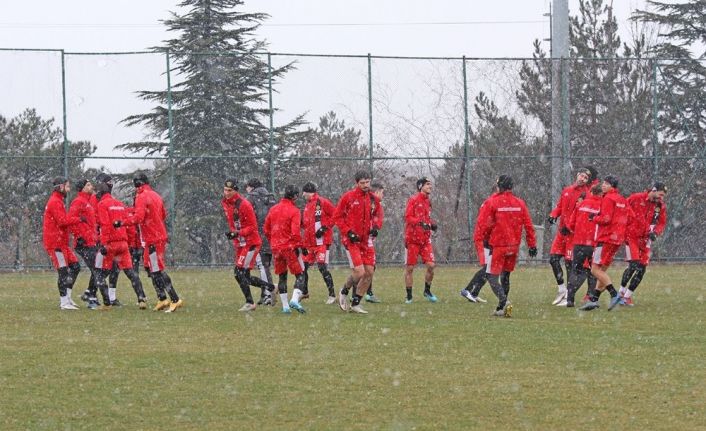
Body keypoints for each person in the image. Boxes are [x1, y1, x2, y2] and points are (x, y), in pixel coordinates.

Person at [477, 175, 537, 317]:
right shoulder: (520, 202)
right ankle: (500, 308)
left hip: (498, 245)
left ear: (500, 186)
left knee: (491, 276)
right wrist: (532, 245)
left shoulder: (493, 202)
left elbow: (484, 225)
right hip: (513, 246)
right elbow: (528, 225)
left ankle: (504, 301)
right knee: (506, 275)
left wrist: (484, 240)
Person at [127, 173, 184, 313]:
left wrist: (122, 222)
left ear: (136, 184)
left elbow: (138, 218)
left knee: (157, 269)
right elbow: (163, 215)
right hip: (156, 236)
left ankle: (175, 299)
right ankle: (162, 298)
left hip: (153, 238)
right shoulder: (155, 195)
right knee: (149, 267)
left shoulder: (141, 196)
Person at [221, 178, 274, 312]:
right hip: (240, 243)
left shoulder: (244, 204)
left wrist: (237, 233)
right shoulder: (225, 202)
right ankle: (272, 287)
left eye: (230, 190)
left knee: (239, 273)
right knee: (245, 276)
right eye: (225, 190)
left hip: (251, 243)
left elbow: (253, 226)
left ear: (236, 191)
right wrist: (234, 234)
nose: (226, 193)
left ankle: (250, 302)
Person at [580, 175, 631, 311]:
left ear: (611, 186)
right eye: (603, 183)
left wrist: (594, 217)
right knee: (602, 270)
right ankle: (594, 299)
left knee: (595, 270)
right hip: (616, 239)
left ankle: (615, 295)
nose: (603, 185)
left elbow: (606, 218)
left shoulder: (608, 198)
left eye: (606, 183)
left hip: (606, 238)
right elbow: (628, 217)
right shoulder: (622, 199)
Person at [546, 167, 595, 305]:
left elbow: (583, 215)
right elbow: (560, 207)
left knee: (570, 265)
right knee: (553, 259)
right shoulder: (567, 190)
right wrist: (553, 214)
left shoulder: (586, 194)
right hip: (562, 232)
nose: (582, 179)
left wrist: (571, 227)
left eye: (586, 178)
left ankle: (568, 294)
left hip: (573, 235)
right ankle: (561, 288)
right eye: (582, 176)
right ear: (577, 175)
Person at [334, 170, 381, 314]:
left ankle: (355, 303)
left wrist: (376, 227)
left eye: (368, 182)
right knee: (359, 272)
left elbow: (378, 215)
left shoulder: (373, 198)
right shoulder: (348, 197)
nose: (366, 185)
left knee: (369, 272)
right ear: (357, 183)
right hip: (351, 241)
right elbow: (338, 217)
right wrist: (348, 231)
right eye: (363, 183)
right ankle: (344, 290)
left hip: (366, 241)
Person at [96, 182, 147, 309]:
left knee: (100, 276)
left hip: (111, 244)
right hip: (123, 243)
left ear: (100, 193)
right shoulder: (120, 204)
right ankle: (141, 299)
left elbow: (105, 225)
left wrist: (103, 244)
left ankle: (107, 303)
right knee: (131, 273)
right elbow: (128, 225)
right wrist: (129, 243)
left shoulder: (102, 204)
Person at [619, 182, 668, 306]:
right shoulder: (636, 198)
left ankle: (627, 297)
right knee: (633, 265)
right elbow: (622, 208)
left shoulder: (660, 206)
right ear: (654, 190)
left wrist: (655, 233)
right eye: (660, 194)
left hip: (646, 240)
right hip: (632, 237)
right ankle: (620, 293)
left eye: (663, 196)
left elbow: (661, 223)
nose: (661, 198)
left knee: (642, 269)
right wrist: (623, 226)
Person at [263, 185, 307, 314]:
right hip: (289, 247)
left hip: (276, 248)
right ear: (295, 196)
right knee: (300, 275)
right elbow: (295, 233)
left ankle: (285, 306)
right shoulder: (295, 211)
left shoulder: (273, 209)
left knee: (282, 277)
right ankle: (294, 299)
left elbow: (266, 229)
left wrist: (274, 240)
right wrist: (301, 246)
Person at [42, 177, 85, 310]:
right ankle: (64, 303)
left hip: (62, 243)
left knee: (76, 267)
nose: (68, 189)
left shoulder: (58, 201)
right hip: (56, 244)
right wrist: (78, 219)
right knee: (63, 271)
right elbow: (62, 221)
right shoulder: (55, 201)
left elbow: (62, 220)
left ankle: (68, 298)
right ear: (60, 187)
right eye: (67, 186)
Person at [68, 178, 109, 309]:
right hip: (84, 243)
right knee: (97, 269)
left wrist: (96, 237)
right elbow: (71, 220)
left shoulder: (88, 202)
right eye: (88, 185)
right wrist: (79, 236)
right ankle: (92, 298)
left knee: (99, 268)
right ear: (82, 188)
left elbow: (91, 223)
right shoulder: (78, 201)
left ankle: (90, 293)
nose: (91, 186)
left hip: (91, 241)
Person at [562, 184, 603, 307]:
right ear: (601, 194)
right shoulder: (602, 206)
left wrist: (580, 232)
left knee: (576, 270)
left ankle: (570, 298)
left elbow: (571, 224)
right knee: (594, 271)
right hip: (594, 244)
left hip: (578, 243)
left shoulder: (581, 204)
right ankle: (591, 298)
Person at [403, 177, 438, 304]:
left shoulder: (428, 201)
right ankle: (409, 296)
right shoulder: (413, 200)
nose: (430, 186)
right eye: (428, 184)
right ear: (420, 186)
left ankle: (427, 291)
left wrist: (432, 224)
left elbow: (427, 219)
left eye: (430, 184)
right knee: (410, 268)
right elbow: (408, 217)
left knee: (431, 266)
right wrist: (419, 223)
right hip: (412, 240)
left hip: (425, 240)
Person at [301, 182, 337, 304]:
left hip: (322, 243)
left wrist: (324, 228)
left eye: (304, 192)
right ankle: (304, 292)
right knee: (303, 268)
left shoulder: (322, 202)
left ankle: (332, 295)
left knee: (322, 267)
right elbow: (306, 224)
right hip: (309, 245)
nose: (302, 195)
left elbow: (335, 215)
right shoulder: (306, 206)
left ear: (308, 192)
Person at [460, 186, 496, 304]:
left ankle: (474, 293)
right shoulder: (490, 203)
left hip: (487, 239)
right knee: (487, 268)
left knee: (489, 269)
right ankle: (467, 290)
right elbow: (485, 223)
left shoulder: (491, 202)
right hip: (482, 239)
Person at [245, 178, 277, 305]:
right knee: (266, 265)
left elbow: (247, 216)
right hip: (272, 234)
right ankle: (265, 294)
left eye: (247, 187)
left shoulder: (251, 198)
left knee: (262, 266)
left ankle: (268, 293)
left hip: (258, 235)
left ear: (251, 187)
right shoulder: (271, 198)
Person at [364, 182, 385, 303]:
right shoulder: (369, 202)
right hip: (361, 240)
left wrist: (375, 228)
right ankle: (351, 292)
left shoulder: (376, 204)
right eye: (382, 193)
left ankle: (367, 292)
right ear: (376, 192)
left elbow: (378, 220)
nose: (383, 195)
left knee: (369, 267)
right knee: (363, 268)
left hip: (368, 239)